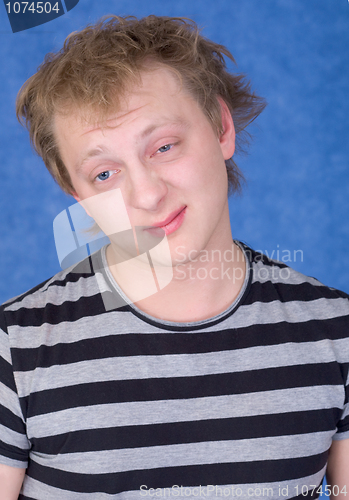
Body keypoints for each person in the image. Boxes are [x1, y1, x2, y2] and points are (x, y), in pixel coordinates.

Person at [0, 14, 348, 499]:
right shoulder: (15, 349)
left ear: (221, 128)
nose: (146, 194)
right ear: (76, 192)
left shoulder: (338, 332)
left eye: (163, 146)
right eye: (104, 174)